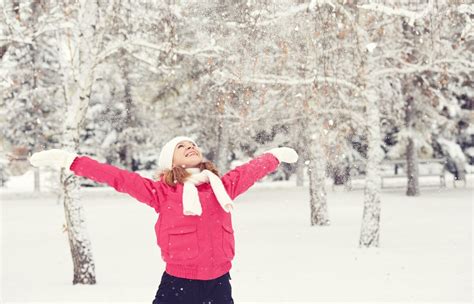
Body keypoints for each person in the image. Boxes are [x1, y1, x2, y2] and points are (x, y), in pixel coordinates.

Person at [29, 136, 298, 303]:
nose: (190, 147)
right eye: (182, 146)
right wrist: (71, 160)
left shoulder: (220, 187)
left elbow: (249, 171)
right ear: (171, 162)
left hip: (218, 284)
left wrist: (272, 157)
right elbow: (117, 177)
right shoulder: (161, 192)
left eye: (192, 144)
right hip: (179, 285)